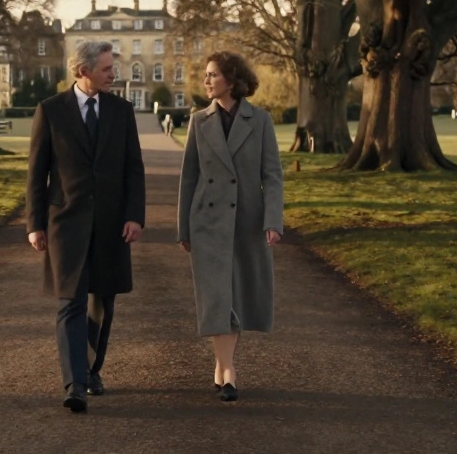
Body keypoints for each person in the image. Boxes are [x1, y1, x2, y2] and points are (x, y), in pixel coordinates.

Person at [25, 40, 146, 414]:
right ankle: (74, 384)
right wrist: (35, 224)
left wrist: (134, 215)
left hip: (111, 224)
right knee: (70, 302)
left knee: (102, 302)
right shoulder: (50, 110)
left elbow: (133, 168)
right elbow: (37, 172)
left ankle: (91, 370)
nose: (114, 74)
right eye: (108, 69)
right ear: (84, 71)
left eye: (113, 68)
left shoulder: (121, 111)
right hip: (66, 223)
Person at [176, 51, 283, 403]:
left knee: (237, 295)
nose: (206, 81)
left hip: (247, 220)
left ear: (232, 80)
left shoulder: (261, 120)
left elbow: (272, 175)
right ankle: (228, 371)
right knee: (217, 297)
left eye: (212, 75)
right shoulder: (198, 121)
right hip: (207, 221)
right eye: (205, 75)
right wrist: (183, 229)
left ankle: (223, 366)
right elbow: (189, 177)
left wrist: (272, 221)